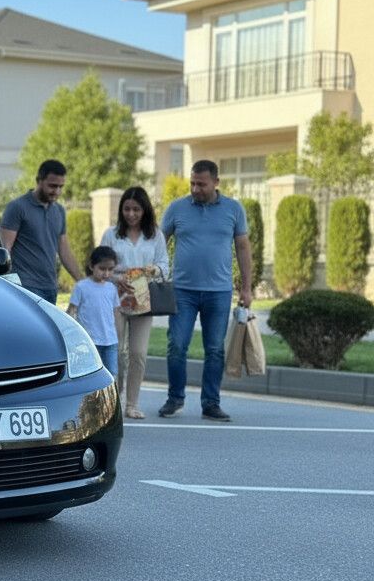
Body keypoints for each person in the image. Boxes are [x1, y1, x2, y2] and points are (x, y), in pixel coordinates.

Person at [159, 160, 252, 422]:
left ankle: (211, 403)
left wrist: (246, 288)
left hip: (219, 292)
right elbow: (159, 243)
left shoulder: (234, 209)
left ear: (216, 182)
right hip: (182, 291)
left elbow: (243, 248)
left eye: (201, 184)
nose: (195, 189)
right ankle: (175, 398)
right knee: (177, 345)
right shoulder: (177, 208)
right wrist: (158, 274)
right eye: (192, 183)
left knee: (215, 349)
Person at [100, 187, 169, 419]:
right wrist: (117, 276)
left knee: (138, 353)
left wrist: (153, 270)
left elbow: (165, 266)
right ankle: (114, 400)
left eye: (136, 209)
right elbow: (100, 266)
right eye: (127, 209)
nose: (131, 214)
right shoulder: (111, 234)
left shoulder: (155, 235)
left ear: (145, 210)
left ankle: (132, 403)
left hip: (143, 299)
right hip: (115, 299)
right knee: (117, 350)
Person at [0, 159, 82, 304]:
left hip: (50, 287)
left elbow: (64, 251)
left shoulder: (59, 211)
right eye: (52, 186)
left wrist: (83, 281)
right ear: (39, 180)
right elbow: (4, 249)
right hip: (25, 288)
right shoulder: (17, 207)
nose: (57, 191)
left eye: (60, 187)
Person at [67, 246, 120, 376]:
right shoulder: (81, 287)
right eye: (102, 269)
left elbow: (116, 312)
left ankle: (111, 397)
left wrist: (119, 335)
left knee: (111, 374)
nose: (106, 273)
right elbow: (71, 311)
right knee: (90, 374)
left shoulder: (111, 288)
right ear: (91, 266)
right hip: (89, 342)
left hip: (110, 341)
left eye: (110, 269)